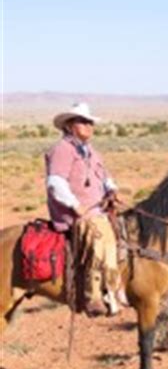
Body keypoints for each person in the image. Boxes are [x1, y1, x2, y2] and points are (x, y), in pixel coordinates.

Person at [45, 102, 123, 317]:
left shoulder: (91, 152)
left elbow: (105, 177)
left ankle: (116, 285)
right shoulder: (62, 150)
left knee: (124, 230)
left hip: (98, 208)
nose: (89, 126)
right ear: (70, 126)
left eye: (90, 122)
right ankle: (93, 295)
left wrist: (112, 190)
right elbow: (55, 182)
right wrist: (74, 205)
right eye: (83, 122)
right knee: (99, 234)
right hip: (75, 214)